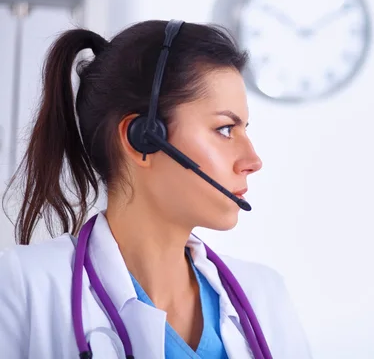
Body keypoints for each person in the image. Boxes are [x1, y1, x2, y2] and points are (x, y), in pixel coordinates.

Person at [0, 20, 312, 359]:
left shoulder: (265, 296)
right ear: (142, 138)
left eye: (244, 130)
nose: (252, 160)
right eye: (224, 129)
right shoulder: (24, 286)